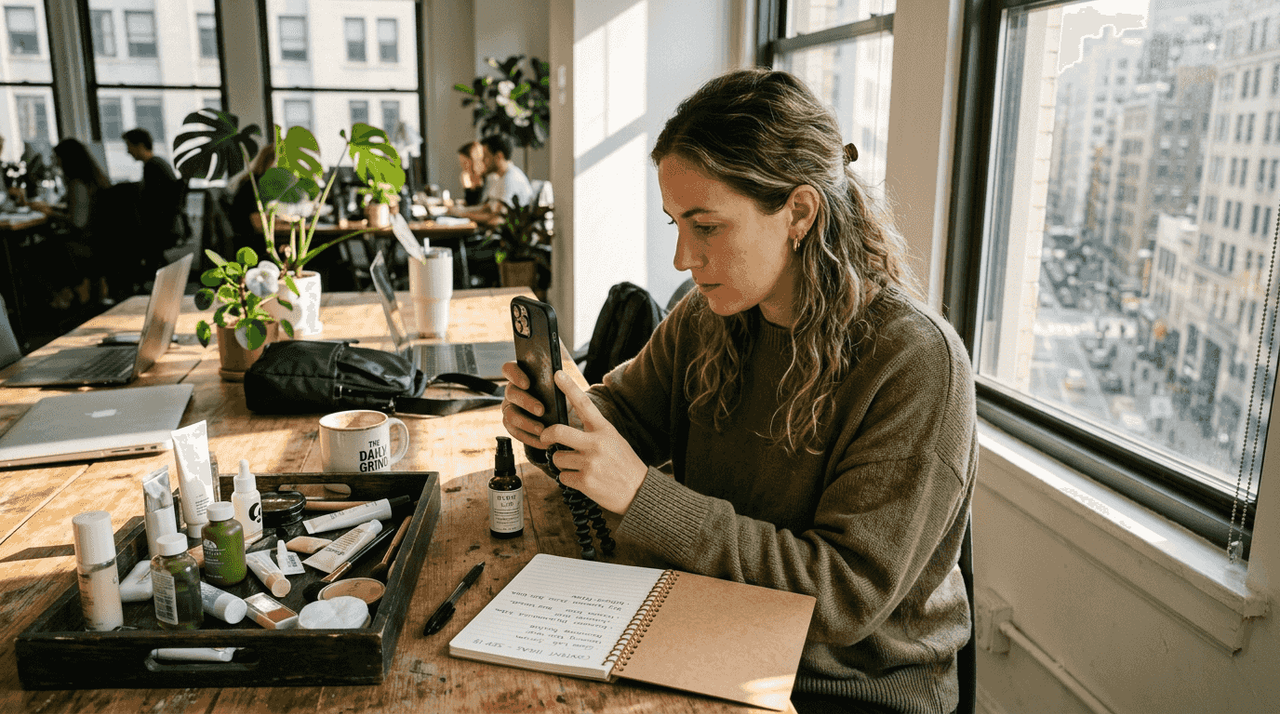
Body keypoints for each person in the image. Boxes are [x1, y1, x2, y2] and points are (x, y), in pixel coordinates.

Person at [500, 69, 976, 714]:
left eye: (706, 227)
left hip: (843, 687)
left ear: (799, 213)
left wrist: (642, 496)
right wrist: (555, 421)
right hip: (707, 628)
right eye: (674, 223)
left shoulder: (915, 363)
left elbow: (842, 600)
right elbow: (624, 418)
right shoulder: (710, 317)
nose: (681, 259)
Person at [30, 139, 114, 308]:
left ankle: (65, 294)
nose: (55, 162)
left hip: (86, 246)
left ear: (67, 159)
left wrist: (50, 214)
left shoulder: (77, 184)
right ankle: (75, 290)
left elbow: (78, 223)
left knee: (33, 253)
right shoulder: (96, 179)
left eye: (57, 158)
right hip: (102, 243)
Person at [123, 127, 186, 274]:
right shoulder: (159, 163)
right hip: (167, 224)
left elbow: (150, 204)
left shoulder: (153, 166)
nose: (128, 151)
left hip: (160, 227)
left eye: (129, 146)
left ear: (140, 145)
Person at [448, 134, 533, 226]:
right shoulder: (500, 177)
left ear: (499, 156)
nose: (482, 161)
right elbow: (487, 208)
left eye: (485, 156)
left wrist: (461, 214)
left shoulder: (511, 179)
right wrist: (458, 211)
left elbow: (496, 218)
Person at [456, 141, 486, 207]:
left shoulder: (486, 177)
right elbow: (469, 202)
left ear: (474, 160)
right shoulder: (466, 176)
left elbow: (482, 205)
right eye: (461, 163)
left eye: (465, 162)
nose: (462, 166)